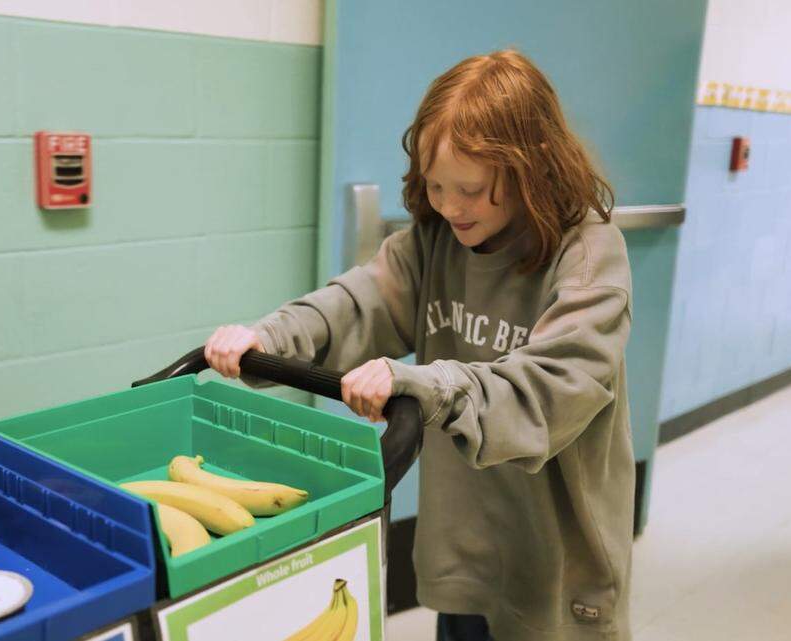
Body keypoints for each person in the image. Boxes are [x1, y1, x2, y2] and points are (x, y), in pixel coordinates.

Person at [204, 50, 634, 641]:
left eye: (471, 189)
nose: (450, 207)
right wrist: (269, 336)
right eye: (435, 186)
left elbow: (550, 391)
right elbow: (358, 302)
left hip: (556, 560)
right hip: (466, 542)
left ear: (532, 168)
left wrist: (429, 385)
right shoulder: (436, 240)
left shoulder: (587, 255)